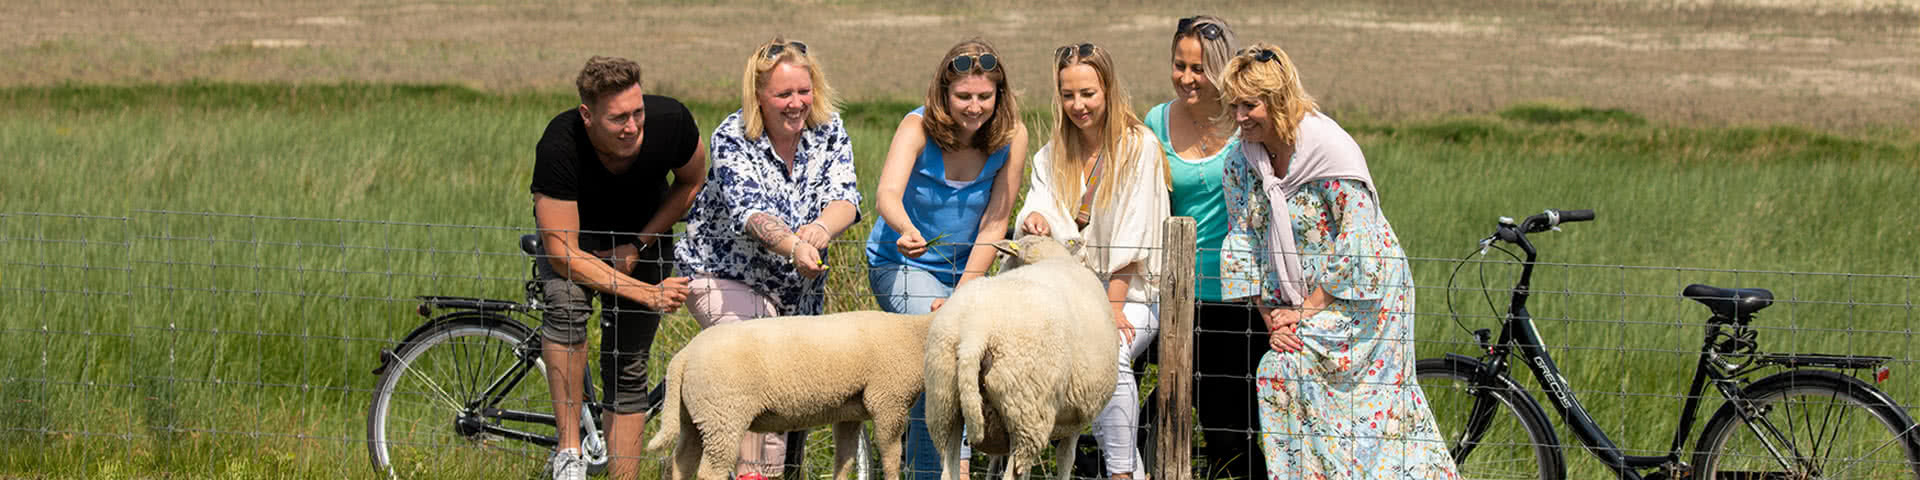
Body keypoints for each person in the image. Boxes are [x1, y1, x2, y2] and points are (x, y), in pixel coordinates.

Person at [1216, 42, 1457, 479]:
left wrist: (1304, 312)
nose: (1239, 117)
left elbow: (1359, 246)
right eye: (1233, 105)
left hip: (1366, 299)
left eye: (1249, 105)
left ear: (1279, 100)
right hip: (1295, 303)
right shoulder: (1239, 160)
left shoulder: (1329, 150)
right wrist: (1272, 317)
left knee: (1376, 411)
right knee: (1282, 375)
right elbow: (1244, 240)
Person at [675, 37, 862, 480]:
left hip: (797, 288)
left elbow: (846, 197)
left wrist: (819, 231)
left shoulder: (830, 128)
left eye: (804, 90)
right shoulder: (732, 137)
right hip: (721, 275)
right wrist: (794, 245)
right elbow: (751, 214)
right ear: (758, 96)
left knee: (791, 396)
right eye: (783, 95)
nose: (796, 103)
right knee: (763, 373)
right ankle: (755, 475)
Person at [529, 56, 705, 480]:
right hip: (576, 244)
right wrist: (646, 293)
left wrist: (640, 243)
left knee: (628, 366)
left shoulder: (672, 121)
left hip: (643, 236)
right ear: (587, 116)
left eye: (637, 112)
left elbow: (692, 181)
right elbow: (562, 254)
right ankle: (569, 453)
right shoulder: (559, 144)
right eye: (619, 118)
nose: (632, 127)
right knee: (566, 309)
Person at [864, 38, 1027, 480]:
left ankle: (966, 462)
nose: (974, 107)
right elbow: (887, 195)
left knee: (975, 352)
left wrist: (963, 292)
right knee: (940, 348)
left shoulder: (1011, 137)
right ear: (943, 93)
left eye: (984, 96)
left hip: (965, 276)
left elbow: (996, 222)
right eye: (963, 97)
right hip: (901, 264)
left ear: (999, 95)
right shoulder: (916, 128)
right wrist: (906, 229)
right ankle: (931, 472)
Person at [1016, 42, 1168, 480]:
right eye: (1068, 95)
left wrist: (1112, 306)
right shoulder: (1052, 154)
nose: (1078, 105)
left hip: (1134, 294)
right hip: (1070, 296)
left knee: (1109, 354)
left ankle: (1122, 473)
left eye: (1088, 93)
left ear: (1108, 89)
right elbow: (1034, 206)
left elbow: (1134, 234)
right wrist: (1036, 219)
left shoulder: (1138, 148)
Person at [1141, 15, 1269, 480]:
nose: (1187, 78)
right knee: (1159, 415)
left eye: (1199, 68)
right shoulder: (1155, 121)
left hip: (1236, 299)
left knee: (1231, 428)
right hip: (1173, 295)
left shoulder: (1247, 121)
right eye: (1179, 65)